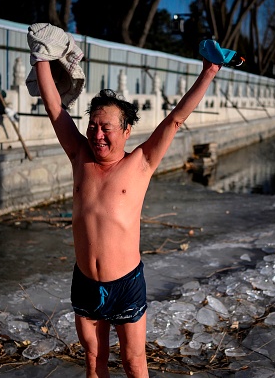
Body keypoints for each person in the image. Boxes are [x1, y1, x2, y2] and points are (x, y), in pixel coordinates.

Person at [32, 29, 221, 378]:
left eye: (106, 128)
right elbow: (55, 108)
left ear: (127, 130)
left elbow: (176, 118)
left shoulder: (141, 163)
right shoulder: (79, 157)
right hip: (86, 283)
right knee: (94, 361)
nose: (97, 135)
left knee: (135, 364)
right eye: (92, 126)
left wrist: (208, 72)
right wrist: (42, 59)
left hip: (125, 285)